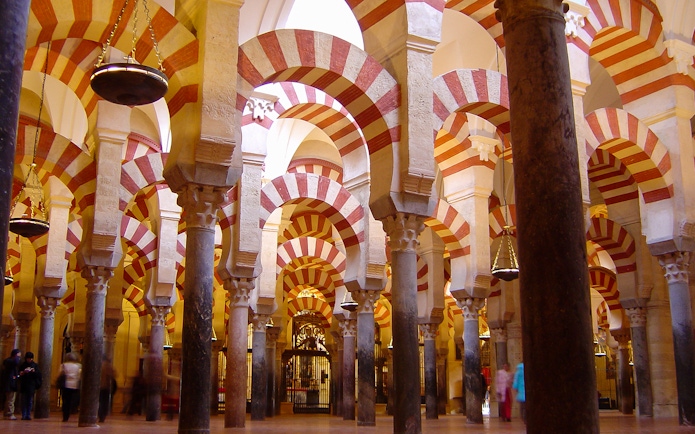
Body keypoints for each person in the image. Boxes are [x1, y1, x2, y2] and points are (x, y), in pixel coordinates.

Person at [18, 352, 42, 420]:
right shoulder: (22, 365)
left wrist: (33, 372)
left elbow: (38, 375)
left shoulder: (35, 365)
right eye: (28, 358)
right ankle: (24, 414)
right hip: (24, 385)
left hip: (31, 385)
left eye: (30, 359)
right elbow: (19, 375)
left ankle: (28, 414)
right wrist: (22, 373)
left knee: (30, 401)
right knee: (23, 401)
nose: (29, 360)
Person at [59, 352, 82, 422]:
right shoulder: (78, 366)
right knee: (72, 400)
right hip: (74, 385)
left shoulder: (63, 365)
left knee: (65, 401)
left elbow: (60, 374)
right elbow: (79, 376)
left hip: (65, 385)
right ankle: (72, 410)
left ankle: (65, 416)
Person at [2, 349, 22, 420]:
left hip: (10, 384)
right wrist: (17, 356)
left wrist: (19, 375)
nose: (19, 358)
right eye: (19, 355)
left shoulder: (9, 362)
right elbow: (16, 362)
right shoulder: (10, 361)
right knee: (10, 400)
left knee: (9, 399)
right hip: (10, 385)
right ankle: (9, 414)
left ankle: (6, 413)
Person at [98, 356, 116, 423]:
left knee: (100, 402)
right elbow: (114, 375)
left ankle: (100, 415)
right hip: (106, 387)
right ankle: (103, 416)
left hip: (99, 387)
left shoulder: (99, 366)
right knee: (104, 402)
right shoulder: (109, 367)